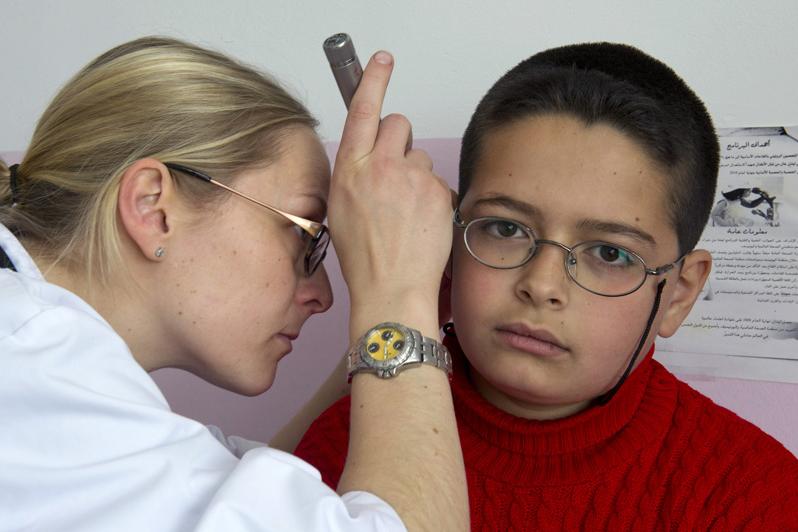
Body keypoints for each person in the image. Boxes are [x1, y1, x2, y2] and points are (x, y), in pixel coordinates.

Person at [295, 42, 798, 530]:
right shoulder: (342, 446)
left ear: (679, 294)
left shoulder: (755, 496)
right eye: (505, 229)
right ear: (444, 240)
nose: (541, 285)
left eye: (610, 253)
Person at [0, 37, 468, 531]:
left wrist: (388, 327)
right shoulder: (39, 379)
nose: (324, 297)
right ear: (153, 208)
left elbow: (242, 506)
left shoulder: (42, 367)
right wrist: (397, 298)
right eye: (304, 233)